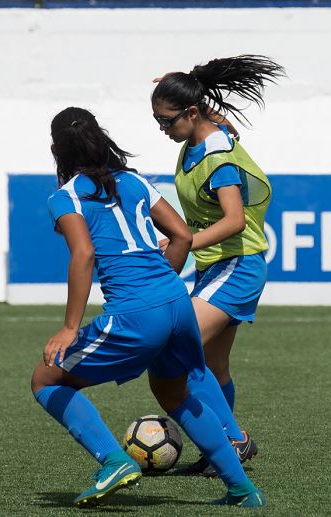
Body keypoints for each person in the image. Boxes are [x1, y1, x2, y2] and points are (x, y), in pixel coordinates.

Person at [30, 107, 265, 508]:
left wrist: (70, 328)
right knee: (173, 391)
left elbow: (83, 255)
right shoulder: (135, 182)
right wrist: (162, 290)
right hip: (176, 304)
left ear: (56, 149)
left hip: (137, 312)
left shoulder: (64, 197)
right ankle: (243, 490)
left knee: (45, 380)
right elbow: (181, 237)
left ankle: (115, 462)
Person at [151, 55, 284, 475]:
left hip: (237, 266)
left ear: (191, 113)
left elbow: (234, 220)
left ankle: (234, 440)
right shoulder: (201, 135)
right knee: (212, 365)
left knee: (176, 349)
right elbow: (213, 117)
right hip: (218, 267)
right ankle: (217, 452)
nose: (163, 129)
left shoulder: (219, 157)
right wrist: (182, 85)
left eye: (167, 121)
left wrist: (183, 242)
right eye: (157, 121)